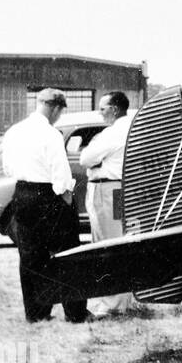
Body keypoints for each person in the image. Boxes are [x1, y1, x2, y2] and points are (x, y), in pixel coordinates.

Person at [0, 88, 88, 323]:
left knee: (30, 256)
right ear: (57, 108)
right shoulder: (51, 134)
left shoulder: (14, 131)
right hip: (49, 195)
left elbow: (7, 168)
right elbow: (60, 173)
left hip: (22, 193)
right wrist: (66, 197)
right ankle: (75, 312)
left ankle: (36, 314)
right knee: (68, 253)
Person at [79, 91, 137, 314]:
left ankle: (111, 305)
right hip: (122, 190)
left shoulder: (113, 133)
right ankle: (122, 301)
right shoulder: (134, 126)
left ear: (114, 109)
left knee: (108, 245)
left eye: (103, 108)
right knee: (121, 241)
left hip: (108, 189)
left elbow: (86, 158)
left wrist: (97, 165)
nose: (100, 113)